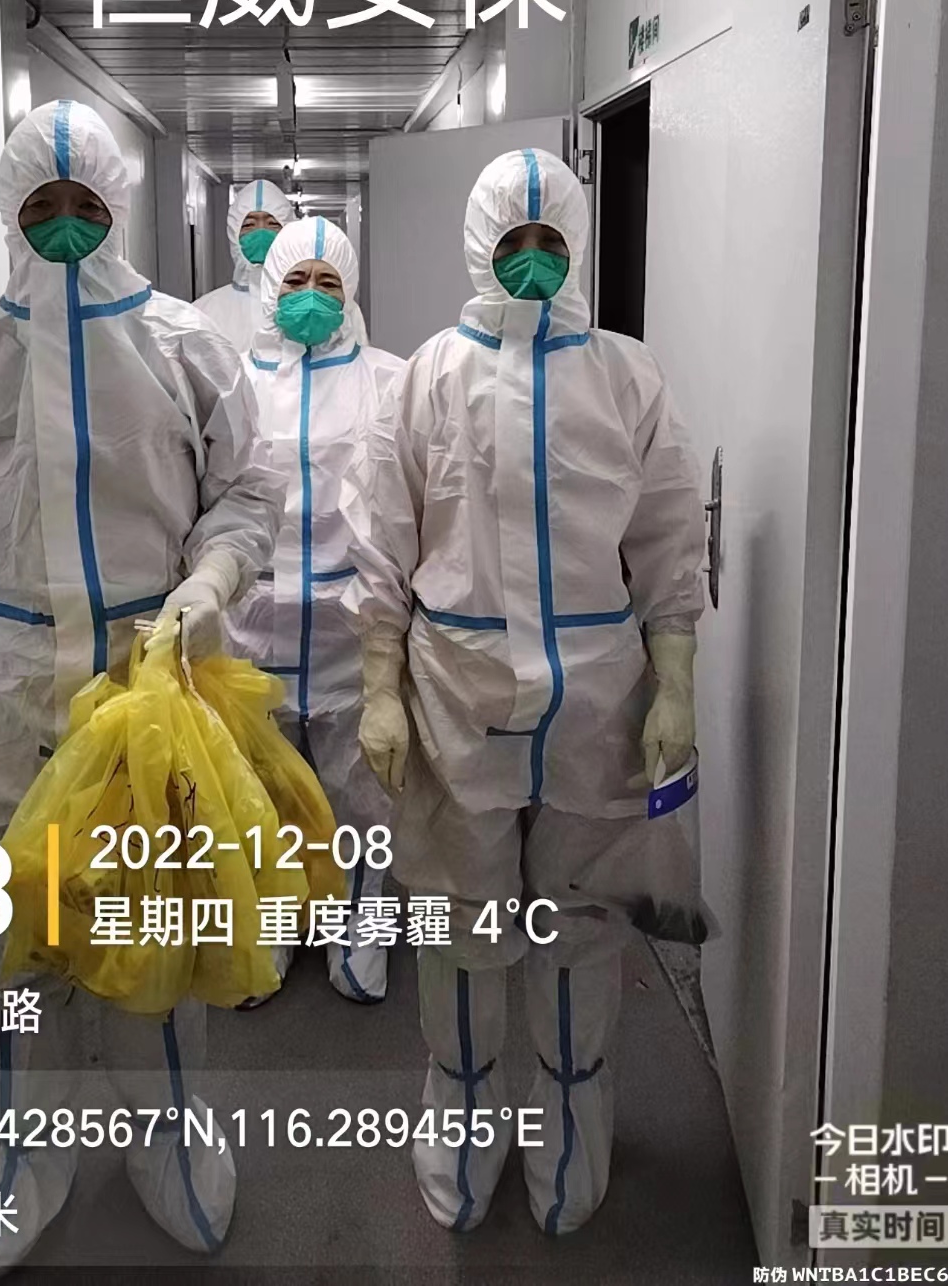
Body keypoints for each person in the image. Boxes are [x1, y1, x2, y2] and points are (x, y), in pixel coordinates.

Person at [0, 99, 282, 1283]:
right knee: (10, 948)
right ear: (11, 210)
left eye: (84, 205)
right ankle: (19, 1162)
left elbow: (247, 490)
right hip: (0, 695)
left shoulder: (185, 345)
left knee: (151, 930)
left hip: (144, 686)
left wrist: (211, 576)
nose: (62, 226)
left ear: (118, 206)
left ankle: (169, 1141)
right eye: (41, 206)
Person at [345, 147, 705, 1237]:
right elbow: (382, 543)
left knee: (581, 924)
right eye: (515, 240)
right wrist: (378, 687)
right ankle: (461, 1117)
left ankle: (569, 1117)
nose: (534, 260)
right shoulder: (425, 377)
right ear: (480, 245)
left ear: (577, 246)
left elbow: (667, 538)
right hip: (457, 697)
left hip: (596, 703)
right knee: (460, 923)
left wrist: (675, 683)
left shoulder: (626, 377)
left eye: (552, 241)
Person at [224, 216, 403, 1003]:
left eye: (328, 284)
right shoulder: (233, 380)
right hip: (253, 619)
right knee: (261, 785)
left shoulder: (389, 379)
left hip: (346, 621)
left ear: (351, 291)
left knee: (359, 787)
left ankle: (361, 922)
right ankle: (274, 919)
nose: (311, 297)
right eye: (296, 281)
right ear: (271, 286)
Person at [194, 177, 293, 351]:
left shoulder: (306, 309)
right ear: (233, 233)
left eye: (272, 224)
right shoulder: (204, 312)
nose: (261, 232)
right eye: (249, 225)